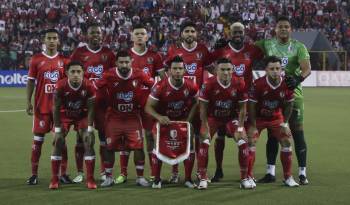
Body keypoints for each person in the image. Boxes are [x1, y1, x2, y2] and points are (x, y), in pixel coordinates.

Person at [255, 16, 311, 185]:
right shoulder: (267, 44)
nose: (284, 29)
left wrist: (298, 80)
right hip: (273, 97)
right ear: (275, 29)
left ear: (290, 29)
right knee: (274, 134)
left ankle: (302, 173)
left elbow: (307, 69)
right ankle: (270, 172)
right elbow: (246, 49)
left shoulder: (298, 47)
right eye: (280, 27)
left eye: (287, 26)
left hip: (294, 96)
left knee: (296, 132)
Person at [209, 22, 263, 182]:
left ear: (245, 32)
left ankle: (248, 174)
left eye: (240, 31)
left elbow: (268, 56)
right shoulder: (222, 50)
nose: (238, 34)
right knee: (219, 136)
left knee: (247, 137)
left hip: (244, 101)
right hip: (224, 99)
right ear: (229, 33)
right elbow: (209, 65)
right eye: (234, 32)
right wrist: (214, 48)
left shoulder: (252, 49)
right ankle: (218, 170)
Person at [95, 51, 154, 187]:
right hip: (114, 117)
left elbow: (154, 86)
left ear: (131, 62)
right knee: (109, 147)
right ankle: (108, 177)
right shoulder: (108, 74)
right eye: (121, 62)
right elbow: (94, 88)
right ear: (116, 63)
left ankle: (140, 177)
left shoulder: (139, 73)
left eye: (127, 62)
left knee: (138, 147)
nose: (124, 65)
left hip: (132, 117)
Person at [116, 23, 164, 185]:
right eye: (136, 33)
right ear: (131, 36)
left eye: (142, 33)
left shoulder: (155, 56)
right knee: (126, 138)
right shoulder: (125, 56)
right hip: (128, 102)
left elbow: (162, 80)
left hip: (148, 103)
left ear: (147, 36)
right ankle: (123, 173)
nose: (139, 36)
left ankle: (152, 173)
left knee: (150, 136)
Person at [164, 21, 211, 183]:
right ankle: (175, 172)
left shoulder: (203, 50)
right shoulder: (173, 50)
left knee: (200, 138)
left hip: (198, 101)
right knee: (177, 139)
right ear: (181, 34)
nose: (190, 34)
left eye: (192, 31)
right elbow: (166, 73)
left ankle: (200, 171)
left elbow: (212, 70)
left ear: (196, 34)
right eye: (186, 31)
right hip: (179, 103)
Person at [197, 58, 252, 190]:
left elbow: (243, 109)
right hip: (213, 117)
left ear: (233, 70)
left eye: (228, 69)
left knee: (243, 142)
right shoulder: (208, 83)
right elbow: (203, 108)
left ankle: (244, 178)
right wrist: (204, 126)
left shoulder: (239, 83)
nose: (226, 72)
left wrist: (239, 127)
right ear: (216, 70)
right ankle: (203, 178)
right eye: (222, 69)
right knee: (204, 141)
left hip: (230, 118)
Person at [70, 23, 116, 183]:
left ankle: (104, 172)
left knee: (104, 138)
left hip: (103, 104)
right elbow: (70, 74)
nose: (95, 35)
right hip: (83, 104)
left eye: (98, 32)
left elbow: (114, 77)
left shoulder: (109, 54)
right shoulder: (79, 53)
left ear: (102, 34)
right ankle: (80, 172)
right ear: (86, 35)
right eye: (92, 33)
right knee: (81, 137)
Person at [145, 56, 198, 189]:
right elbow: (148, 107)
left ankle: (187, 179)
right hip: (163, 121)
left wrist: (189, 120)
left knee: (189, 146)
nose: (178, 71)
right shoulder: (160, 86)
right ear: (169, 71)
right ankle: (157, 179)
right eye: (175, 69)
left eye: (180, 68)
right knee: (158, 147)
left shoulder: (191, 85)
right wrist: (159, 117)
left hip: (182, 121)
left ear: (185, 71)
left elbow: (197, 103)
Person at [247, 56, 299, 187]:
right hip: (259, 118)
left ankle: (288, 177)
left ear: (282, 69)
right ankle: (249, 176)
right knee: (250, 141)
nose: (275, 71)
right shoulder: (258, 84)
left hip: (276, 118)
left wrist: (285, 123)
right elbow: (251, 106)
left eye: (278, 68)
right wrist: (252, 126)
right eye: (272, 69)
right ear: (266, 70)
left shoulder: (287, 84)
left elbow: (289, 105)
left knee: (286, 141)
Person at [26, 28, 70, 185]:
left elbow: (68, 85)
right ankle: (33, 174)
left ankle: (63, 174)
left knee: (60, 141)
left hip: (60, 110)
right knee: (38, 141)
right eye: (49, 38)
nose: (52, 41)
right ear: (44, 40)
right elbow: (30, 81)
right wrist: (28, 102)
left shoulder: (65, 61)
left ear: (58, 41)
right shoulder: (36, 60)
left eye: (54, 38)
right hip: (41, 108)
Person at [50, 61, 97, 189]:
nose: (76, 74)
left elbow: (92, 109)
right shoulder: (60, 86)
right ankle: (54, 179)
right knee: (58, 140)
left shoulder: (89, 85)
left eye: (79, 72)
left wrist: (90, 127)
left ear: (83, 73)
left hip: (82, 114)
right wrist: (58, 129)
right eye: (73, 72)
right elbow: (56, 108)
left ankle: (90, 179)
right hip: (64, 114)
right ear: (67, 73)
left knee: (88, 139)